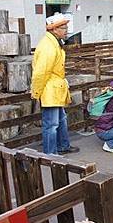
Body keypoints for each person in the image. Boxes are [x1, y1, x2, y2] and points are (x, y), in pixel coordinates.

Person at [31, 13, 79, 155]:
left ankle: (62, 146)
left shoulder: (53, 43)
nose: (66, 30)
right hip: (50, 89)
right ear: (54, 29)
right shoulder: (48, 46)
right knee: (51, 124)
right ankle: (50, 153)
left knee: (60, 120)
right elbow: (40, 72)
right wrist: (36, 91)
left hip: (55, 87)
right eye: (63, 28)